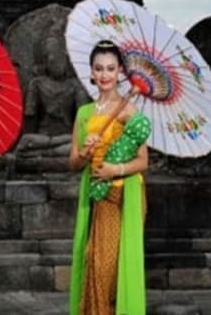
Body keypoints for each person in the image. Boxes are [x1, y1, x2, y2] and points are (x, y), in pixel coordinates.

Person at [68, 40, 150, 315]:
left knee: (113, 265)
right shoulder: (84, 114)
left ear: (120, 73)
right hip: (94, 194)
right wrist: (86, 153)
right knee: (92, 257)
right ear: (91, 72)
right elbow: (73, 163)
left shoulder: (129, 111)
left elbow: (143, 161)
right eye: (99, 68)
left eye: (110, 69)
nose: (104, 75)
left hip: (123, 193)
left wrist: (117, 170)